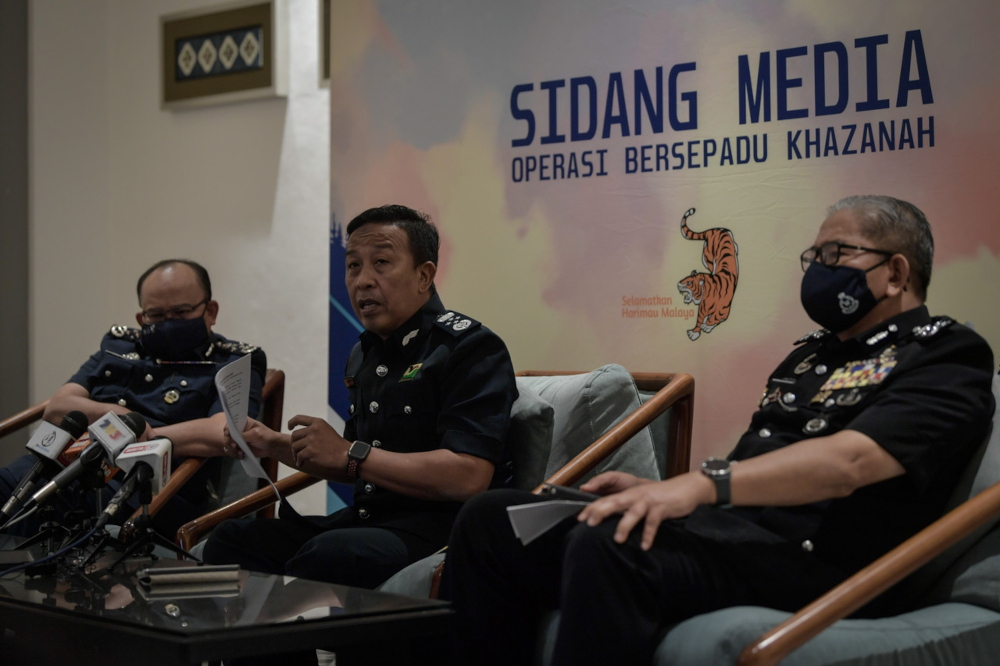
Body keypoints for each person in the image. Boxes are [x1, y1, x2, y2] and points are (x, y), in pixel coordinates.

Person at [441, 195, 996, 666]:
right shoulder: (811, 356)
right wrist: (663, 495)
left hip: (814, 562)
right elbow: (755, 463)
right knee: (495, 523)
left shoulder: (946, 354)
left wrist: (701, 485)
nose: (819, 269)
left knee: (609, 546)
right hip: (733, 543)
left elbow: (852, 462)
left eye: (837, 254)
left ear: (896, 273)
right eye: (814, 255)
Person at [203, 204, 518, 591]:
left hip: (440, 530)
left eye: (381, 263)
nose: (362, 281)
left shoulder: (469, 348)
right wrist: (271, 444)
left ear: (425, 275)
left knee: (329, 553)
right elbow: (352, 463)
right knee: (233, 540)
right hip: (370, 521)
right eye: (353, 265)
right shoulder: (365, 353)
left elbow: (469, 476)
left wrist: (351, 454)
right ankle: (276, 653)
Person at [0, 259, 267, 537]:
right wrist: (119, 418)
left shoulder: (236, 361)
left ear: (210, 311)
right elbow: (58, 407)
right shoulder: (119, 347)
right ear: (141, 319)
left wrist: (139, 436)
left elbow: (221, 432)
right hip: (60, 465)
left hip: (138, 491)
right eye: (156, 315)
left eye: (181, 311)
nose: (169, 323)